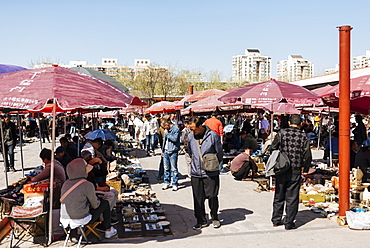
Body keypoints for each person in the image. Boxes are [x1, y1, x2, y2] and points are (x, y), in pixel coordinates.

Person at [271, 114, 312, 230]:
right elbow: (307, 154)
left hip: (281, 169)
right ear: (300, 124)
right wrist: (306, 168)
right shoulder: (303, 136)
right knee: (292, 197)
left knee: (279, 194)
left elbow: (273, 148)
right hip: (295, 169)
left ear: (289, 123)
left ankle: (276, 219)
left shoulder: (281, 133)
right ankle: (289, 223)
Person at [60, 158, 117, 239]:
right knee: (105, 203)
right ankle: (108, 230)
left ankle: (105, 228)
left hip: (64, 219)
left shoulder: (66, 183)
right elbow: (96, 205)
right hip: (81, 219)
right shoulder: (87, 184)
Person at [187, 117, 223, 230]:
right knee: (198, 198)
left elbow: (219, 152)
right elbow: (190, 151)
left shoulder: (213, 135)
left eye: (194, 129)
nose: (192, 131)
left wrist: (214, 166)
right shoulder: (190, 136)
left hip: (210, 172)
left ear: (200, 126)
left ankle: (215, 217)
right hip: (196, 172)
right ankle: (201, 220)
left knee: (212, 196)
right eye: (190, 129)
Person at [161, 119, 181, 191]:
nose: (164, 129)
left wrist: (167, 134)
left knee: (174, 168)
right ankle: (166, 182)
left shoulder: (176, 129)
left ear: (167, 125)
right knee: (166, 168)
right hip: (166, 150)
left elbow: (175, 139)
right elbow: (164, 141)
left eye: (164, 127)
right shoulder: (166, 131)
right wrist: (162, 150)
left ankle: (175, 183)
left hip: (173, 151)